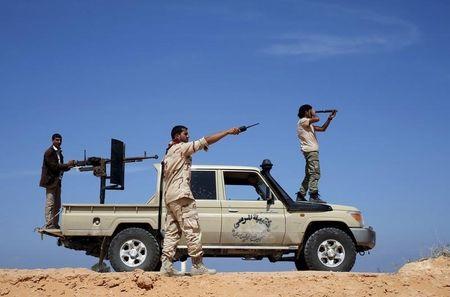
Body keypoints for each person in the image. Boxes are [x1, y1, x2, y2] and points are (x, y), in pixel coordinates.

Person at [160, 125, 241, 276]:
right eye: (185, 134)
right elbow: (206, 141)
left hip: (170, 197)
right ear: (177, 136)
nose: (188, 136)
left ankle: (166, 266)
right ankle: (197, 266)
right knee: (192, 229)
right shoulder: (181, 148)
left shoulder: (169, 152)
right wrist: (228, 131)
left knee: (172, 232)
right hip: (181, 195)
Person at [296, 105, 336, 203]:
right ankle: (313, 195)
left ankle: (301, 195)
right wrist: (314, 114)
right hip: (311, 151)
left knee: (309, 174)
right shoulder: (303, 121)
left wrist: (329, 119)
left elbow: (322, 129)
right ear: (306, 112)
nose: (313, 111)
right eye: (311, 110)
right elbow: (317, 119)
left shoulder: (308, 125)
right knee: (315, 172)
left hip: (310, 151)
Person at [39, 133, 75, 229]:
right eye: (57, 140)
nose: (59, 142)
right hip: (50, 182)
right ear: (53, 140)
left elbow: (60, 167)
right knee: (50, 203)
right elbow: (54, 166)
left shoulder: (59, 153)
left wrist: (69, 166)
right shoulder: (49, 152)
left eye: (60, 140)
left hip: (57, 182)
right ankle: (49, 224)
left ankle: (55, 224)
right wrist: (67, 165)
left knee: (57, 204)